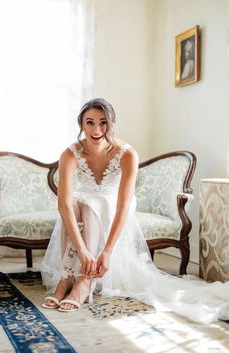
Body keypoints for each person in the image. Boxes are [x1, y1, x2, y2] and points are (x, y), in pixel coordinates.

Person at [41, 98, 229, 323]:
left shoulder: (127, 153)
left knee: (91, 205)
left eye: (103, 123)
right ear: (81, 124)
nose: (97, 129)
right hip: (82, 205)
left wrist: (107, 251)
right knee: (75, 203)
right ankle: (66, 277)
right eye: (89, 122)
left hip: (112, 208)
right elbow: (62, 203)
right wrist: (83, 251)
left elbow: (123, 203)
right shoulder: (70, 153)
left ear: (112, 123)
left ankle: (83, 280)